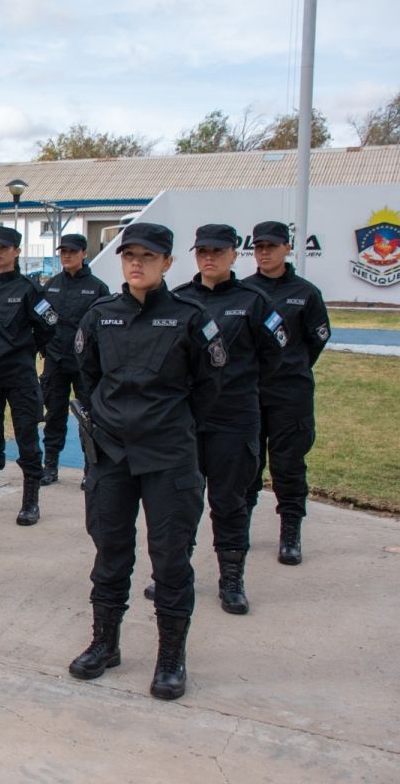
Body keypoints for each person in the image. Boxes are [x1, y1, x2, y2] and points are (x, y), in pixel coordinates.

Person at [67, 222, 223, 701]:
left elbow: (210, 386)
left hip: (168, 456)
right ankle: (104, 643)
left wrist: (170, 425)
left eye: (148, 257)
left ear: (168, 263)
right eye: (129, 255)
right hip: (111, 456)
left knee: (171, 558)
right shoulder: (100, 316)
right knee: (110, 551)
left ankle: (170, 658)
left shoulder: (191, 317)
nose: (136, 263)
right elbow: (86, 377)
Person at [167, 224, 285, 614]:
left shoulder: (255, 301)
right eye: (202, 251)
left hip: (234, 418)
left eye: (218, 251)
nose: (209, 258)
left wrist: (237, 388)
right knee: (180, 502)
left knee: (229, 501)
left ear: (235, 254)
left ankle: (231, 579)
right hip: (187, 421)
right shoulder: (179, 300)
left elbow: (274, 358)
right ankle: (174, 574)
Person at [244, 220, 331, 565]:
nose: (264, 253)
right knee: (247, 464)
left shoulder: (306, 293)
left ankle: (290, 532)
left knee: (288, 464)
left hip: (290, 393)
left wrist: (292, 367)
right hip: (250, 392)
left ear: (287, 248)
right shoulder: (244, 291)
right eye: (259, 247)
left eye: (271, 246)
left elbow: (317, 339)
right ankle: (240, 528)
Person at [0, 226, 55, 525]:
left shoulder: (29, 289)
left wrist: (31, 352)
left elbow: (48, 326)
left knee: (27, 437)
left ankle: (30, 499)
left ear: (16, 251)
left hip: (19, 375)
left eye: (4, 247)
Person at [40, 233, 110, 485]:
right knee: (54, 414)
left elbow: (104, 328)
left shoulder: (97, 287)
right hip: (56, 361)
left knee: (88, 417)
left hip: (85, 364)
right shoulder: (50, 285)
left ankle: (90, 469)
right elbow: (41, 321)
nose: (66, 256)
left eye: (72, 251)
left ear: (84, 253)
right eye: (63, 252)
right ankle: (50, 466)